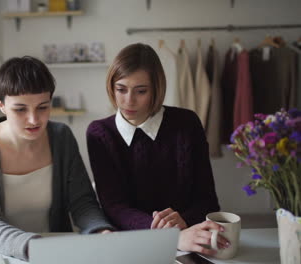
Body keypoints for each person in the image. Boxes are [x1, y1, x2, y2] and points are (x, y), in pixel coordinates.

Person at [0, 56, 113, 261]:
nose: (33, 119)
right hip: (1, 254)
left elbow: (82, 202)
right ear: (1, 105)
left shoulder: (61, 136)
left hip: (55, 253)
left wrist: (100, 232)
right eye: (20, 109)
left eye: (42, 107)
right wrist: (33, 246)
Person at [86, 43, 228, 255]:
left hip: (187, 240)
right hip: (130, 245)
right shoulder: (100, 133)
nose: (128, 101)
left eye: (141, 91)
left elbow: (207, 200)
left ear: (156, 89)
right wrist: (169, 235)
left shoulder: (187, 123)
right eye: (121, 89)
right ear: (111, 87)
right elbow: (114, 208)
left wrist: (184, 220)